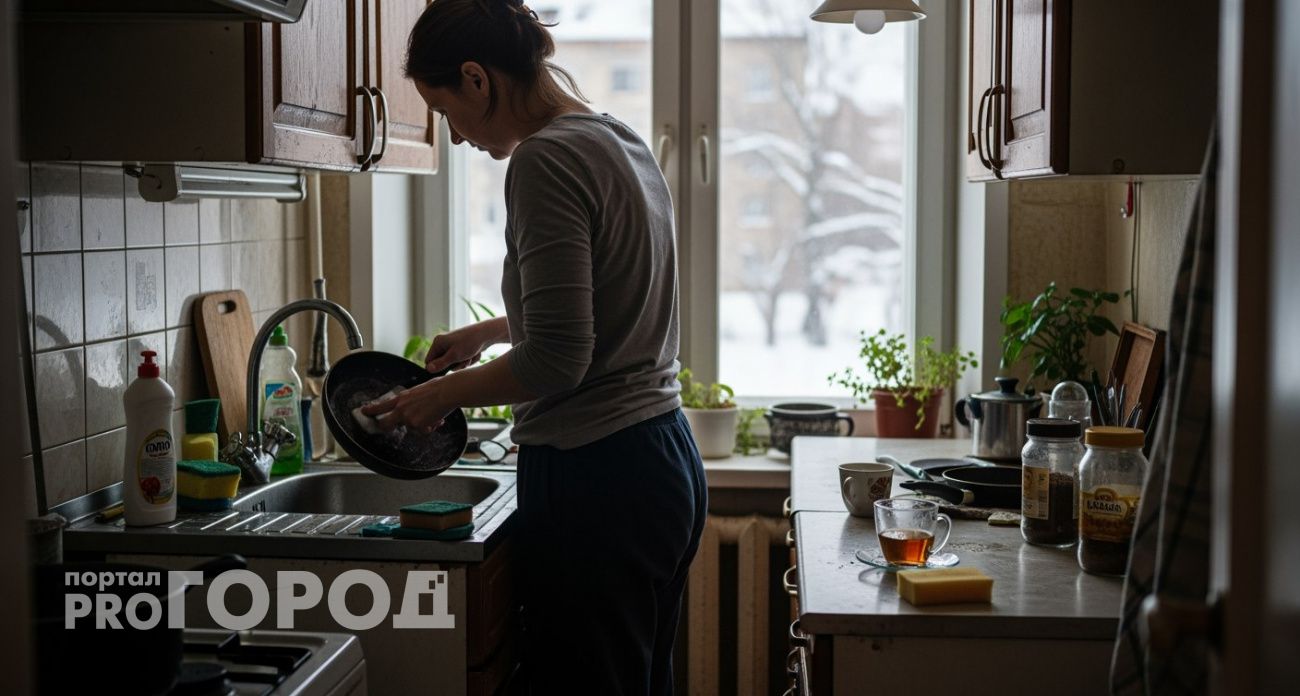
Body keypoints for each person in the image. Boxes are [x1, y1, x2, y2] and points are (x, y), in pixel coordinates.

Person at [362, 0, 707, 693]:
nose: (455, 138)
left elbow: (557, 360)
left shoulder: (544, 160)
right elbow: (610, 302)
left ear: (477, 78)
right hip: (662, 459)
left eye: (446, 110)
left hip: (598, 476)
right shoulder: (616, 137)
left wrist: (431, 399)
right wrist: (488, 333)